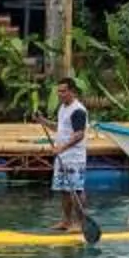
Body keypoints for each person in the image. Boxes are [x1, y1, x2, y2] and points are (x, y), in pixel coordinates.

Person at [48, 76, 93, 236]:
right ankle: (66, 221)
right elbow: (59, 128)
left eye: (63, 91)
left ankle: (80, 223)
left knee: (76, 190)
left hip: (74, 157)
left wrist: (62, 148)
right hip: (63, 157)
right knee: (64, 190)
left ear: (72, 91)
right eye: (58, 91)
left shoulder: (78, 110)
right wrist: (42, 121)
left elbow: (79, 135)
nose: (60, 94)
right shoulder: (62, 108)